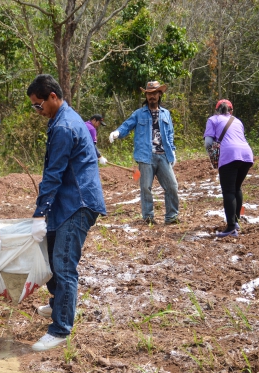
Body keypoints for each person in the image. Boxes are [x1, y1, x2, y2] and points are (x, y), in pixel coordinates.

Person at [26, 74, 106, 352]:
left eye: (39, 105)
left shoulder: (63, 126)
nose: (38, 111)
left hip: (77, 202)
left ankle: (60, 329)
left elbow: (53, 175)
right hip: (66, 202)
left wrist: (39, 213)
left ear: (52, 96)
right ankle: (57, 303)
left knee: (63, 265)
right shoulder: (62, 119)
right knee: (51, 256)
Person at [108, 81, 180, 225]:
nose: (152, 96)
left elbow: (170, 133)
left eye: (154, 93)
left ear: (159, 94)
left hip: (163, 155)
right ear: (146, 96)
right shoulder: (139, 114)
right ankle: (148, 217)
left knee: (172, 186)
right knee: (146, 188)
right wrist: (117, 133)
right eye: (149, 94)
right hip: (145, 156)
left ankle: (171, 217)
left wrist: (172, 150)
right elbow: (127, 125)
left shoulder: (166, 114)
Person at [204, 99, 254, 238]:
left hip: (229, 155)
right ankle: (236, 221)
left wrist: (213, 155)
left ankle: (231, 227)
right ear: (231, 111)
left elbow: (208, 143)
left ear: (217, 110)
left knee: (228, 191)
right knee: (237, 188)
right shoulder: (237, 121)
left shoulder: (213, 120)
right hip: (246, 155)